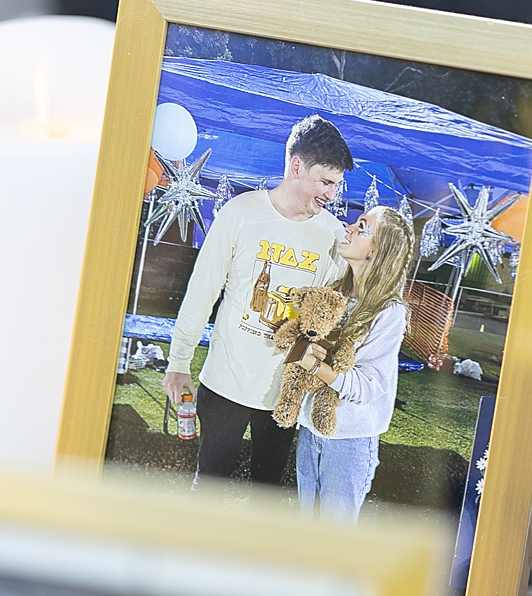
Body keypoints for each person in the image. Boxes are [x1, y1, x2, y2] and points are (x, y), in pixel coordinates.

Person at [163, 115, 354, 487]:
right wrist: (178, 361)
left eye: (336, 185)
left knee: (266, 493)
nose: (331, 194)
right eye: (325, 182)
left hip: (286, 392)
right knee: (210, 487)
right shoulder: (240, 214)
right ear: (296, 167)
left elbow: (332, 319)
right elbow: (202, 291)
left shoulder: (333, 234)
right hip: (225, 383)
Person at [290, 205, 415, 523]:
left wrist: (317, 367)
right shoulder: (335, 293)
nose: (348, 227)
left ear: (379, 251)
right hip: (310, 428)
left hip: (349, 442)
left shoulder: (389, 311)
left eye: (362, 226)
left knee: (335, 544)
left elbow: (369, 385)